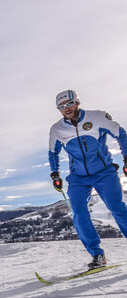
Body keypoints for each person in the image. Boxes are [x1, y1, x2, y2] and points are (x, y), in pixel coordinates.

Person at [48, 90, 127, 268]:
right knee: (78, 213)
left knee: (117, 208)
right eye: (61, 107)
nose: (66, 109)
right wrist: (55, 174)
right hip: (78, 178)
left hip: (104, 172)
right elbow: (53, 153)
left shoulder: (97, 117)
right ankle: (98, 255)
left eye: (69, 104)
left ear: (77, 102)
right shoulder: (57, 129)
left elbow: (120, 134)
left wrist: (126, 158)